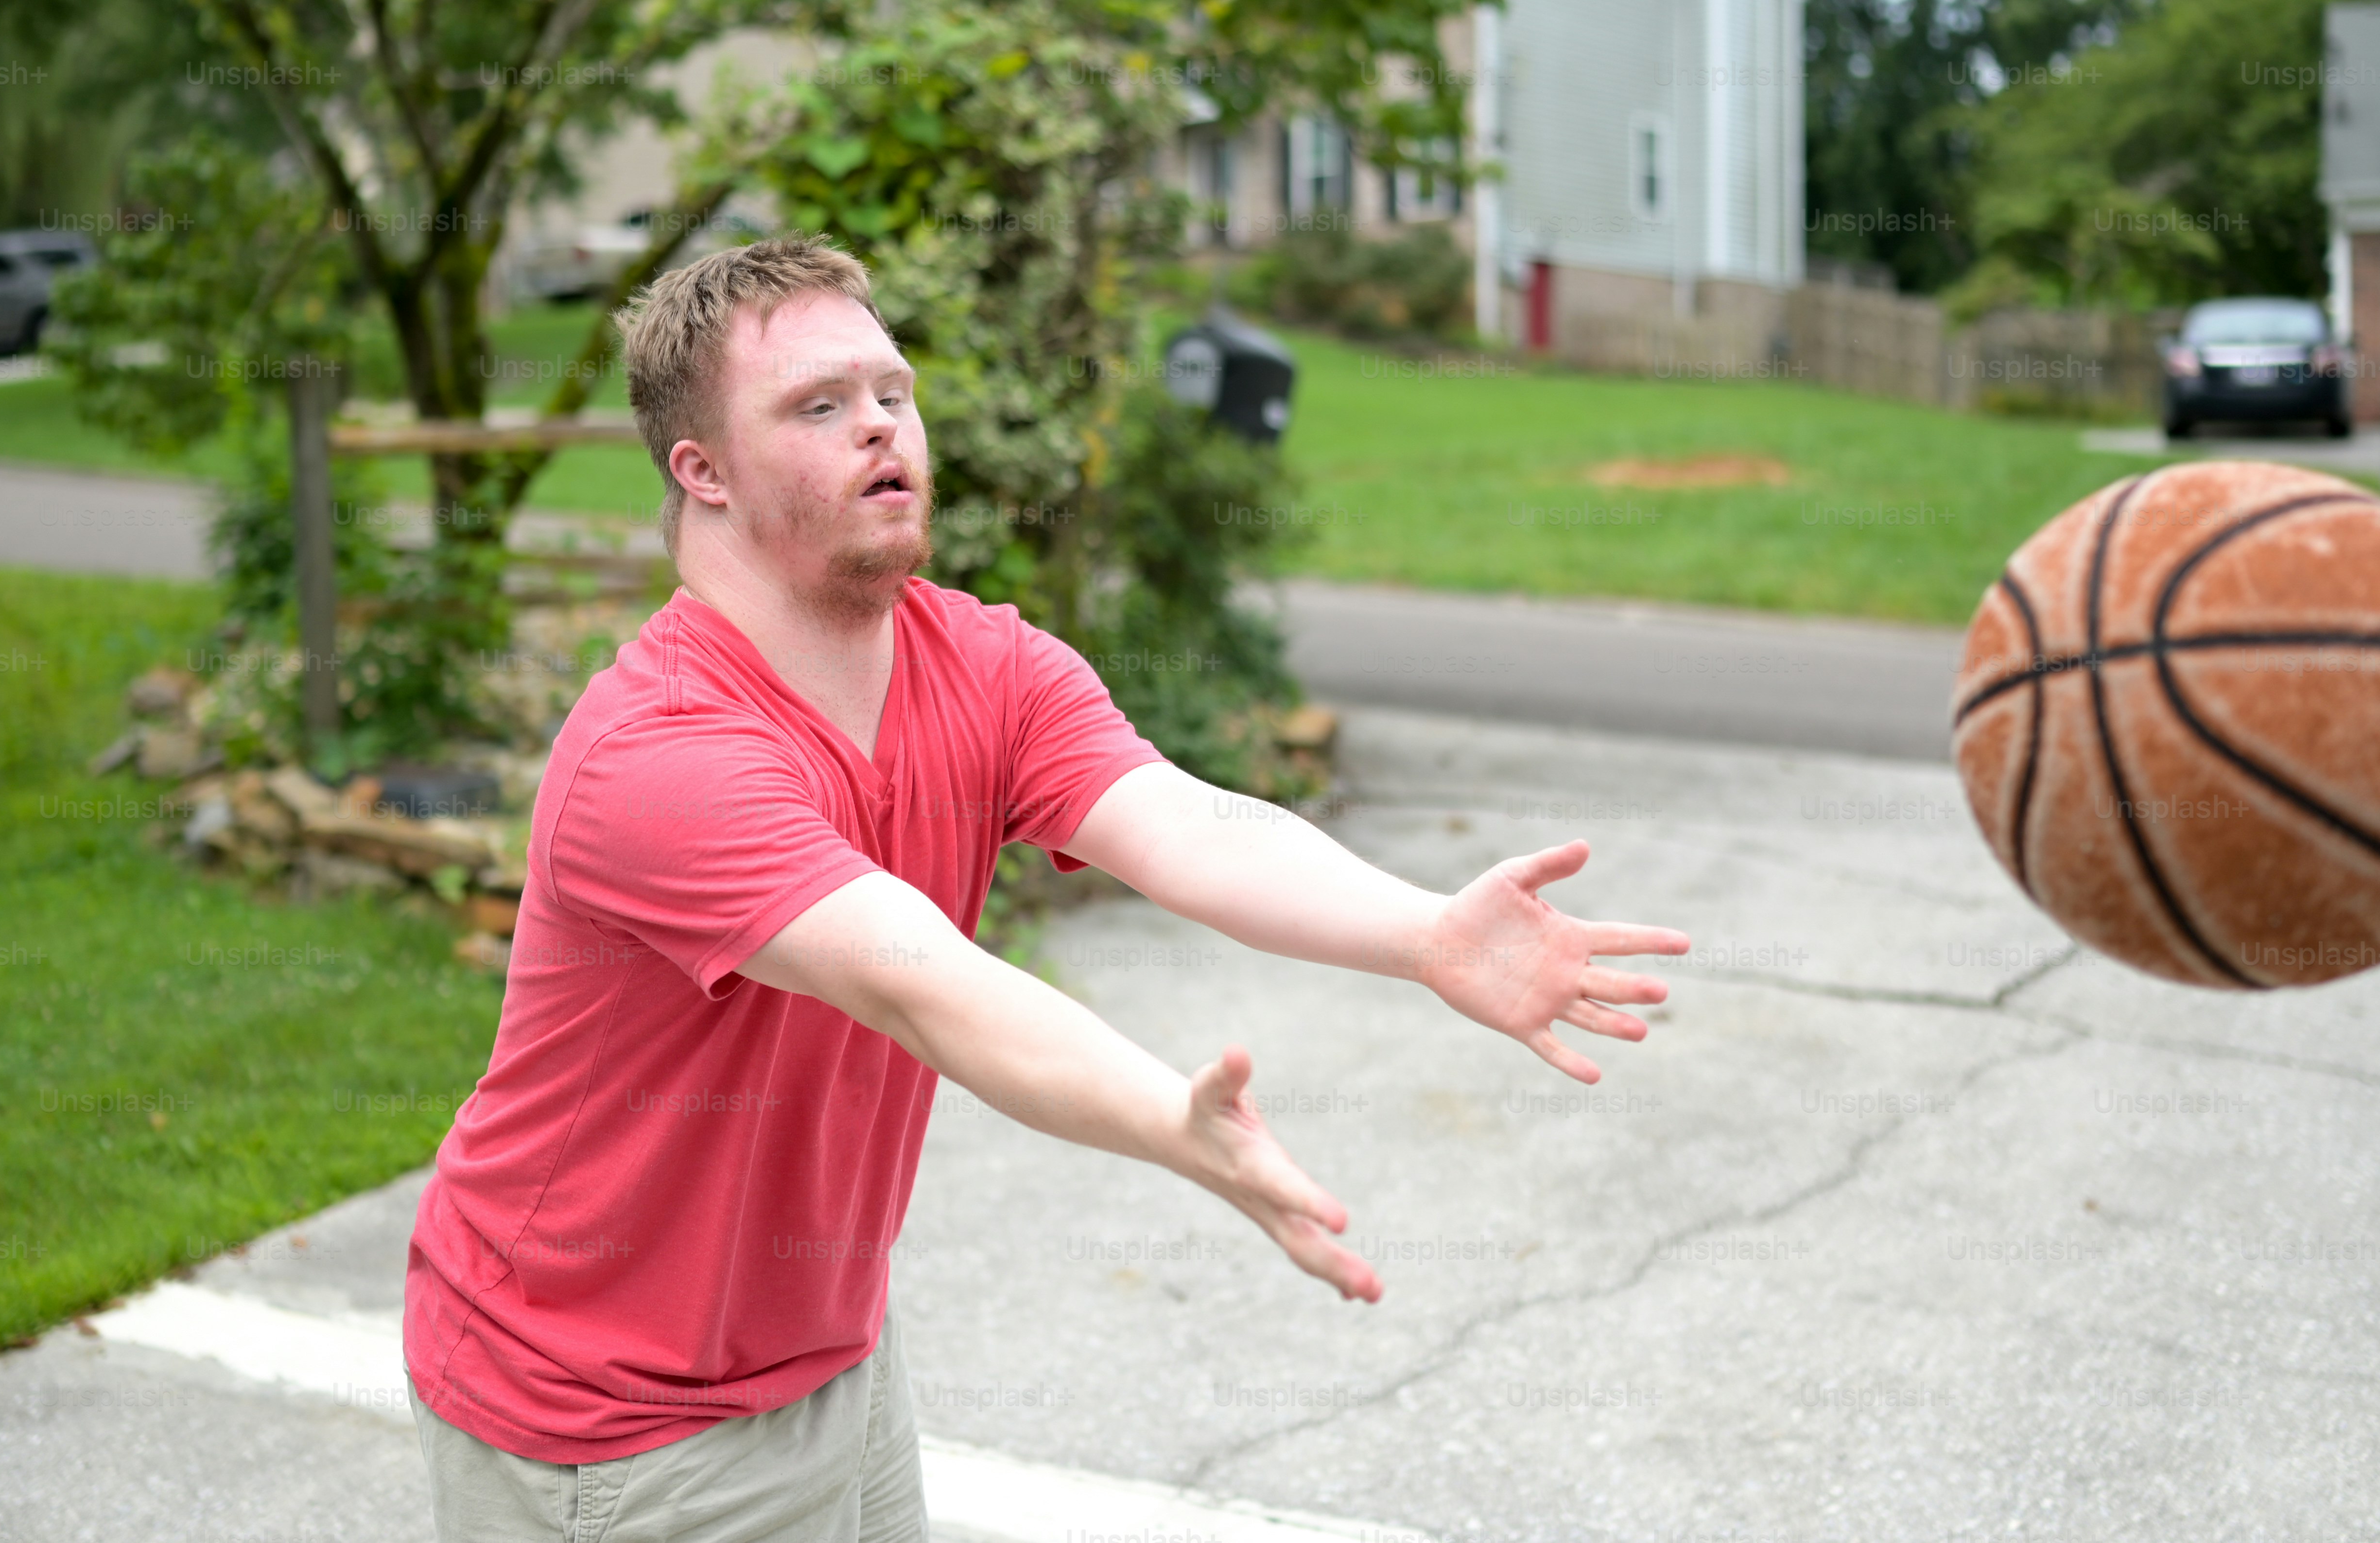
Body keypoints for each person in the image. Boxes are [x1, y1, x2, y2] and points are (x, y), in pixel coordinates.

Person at [403, 237, 1686, 1542]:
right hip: (611, 1412)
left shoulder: (981, 661)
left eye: (892, 392)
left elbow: (1191, 824)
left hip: (824, 1347)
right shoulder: (663, 753)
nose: (881, 428)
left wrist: (1421, 931)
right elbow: (931, 991)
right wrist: (1169, 1125)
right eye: (819, 406)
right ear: (705, 474)